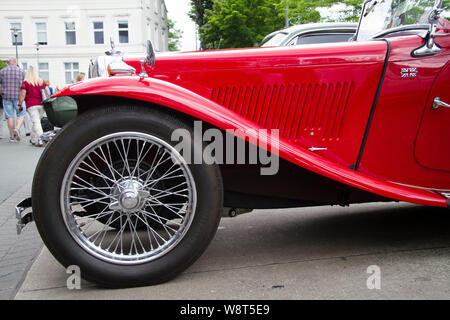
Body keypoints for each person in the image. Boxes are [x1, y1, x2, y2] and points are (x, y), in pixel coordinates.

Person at [18, 66, 50, 147]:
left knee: (36, 122)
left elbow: (23, 94)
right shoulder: (41, 81)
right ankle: (32, 138)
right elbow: (48, 91)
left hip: (31, 105)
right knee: (36, 121)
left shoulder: (25, 82)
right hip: (41, 104)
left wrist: (19, 103)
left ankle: (41, 139)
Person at [0, 57, 26, 142]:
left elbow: (0, 85)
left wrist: (2, 93)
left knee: (9, 116)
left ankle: (11, 137)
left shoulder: (2, 71)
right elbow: (24, 86)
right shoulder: (22, 71)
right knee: (21, 114)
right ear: (15, 63)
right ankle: (17, 129)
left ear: (8, 63)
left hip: (6, 96)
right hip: (19, 97)